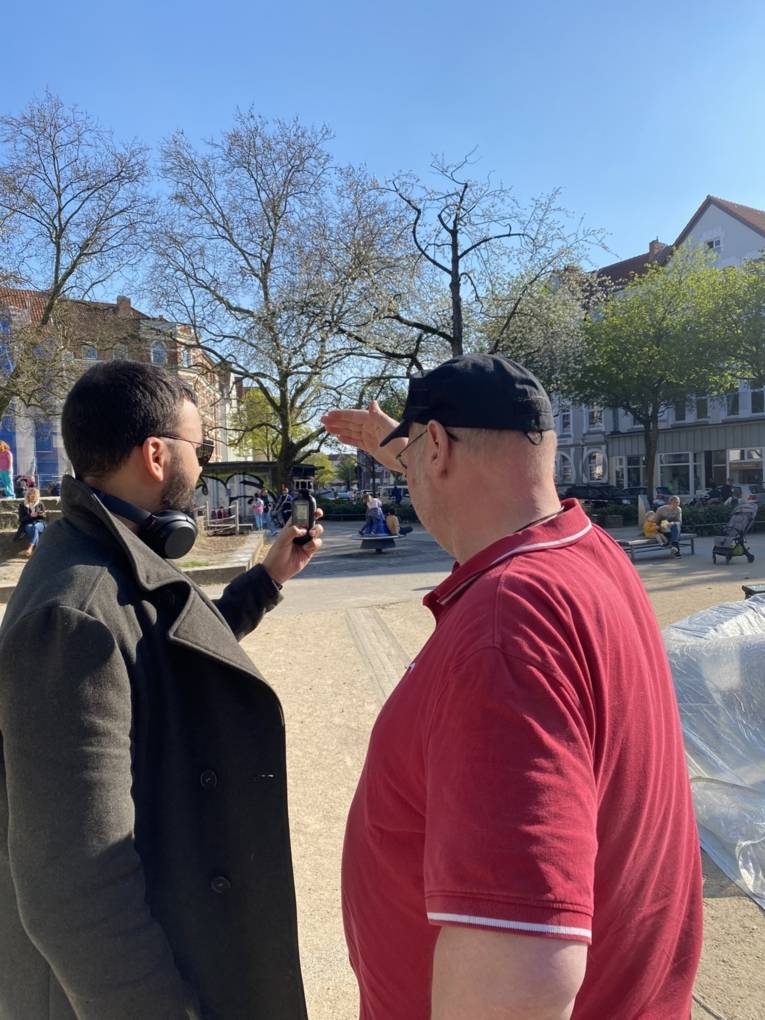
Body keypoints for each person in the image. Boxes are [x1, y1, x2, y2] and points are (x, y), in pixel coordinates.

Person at [322, 354, 702, 1020]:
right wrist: (401, 445)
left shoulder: (506, 625)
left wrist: (417, 451)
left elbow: (520, 984)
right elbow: (484, 503)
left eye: (415, 455)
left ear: (436, 445)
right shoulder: (587, 553)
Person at [0, 360, 323, 1020]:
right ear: (155, 455)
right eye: (198, 449)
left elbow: (162, 649)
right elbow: (75, 888)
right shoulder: (74, 612)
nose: (202, 467)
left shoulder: (108, 562)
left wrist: (264, 582)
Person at [16, 484, 47, 557]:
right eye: (30, 494)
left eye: (34, 494)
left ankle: (30, 549)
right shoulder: (22, 505)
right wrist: (30, 516)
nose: (32, 495)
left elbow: (44, 516)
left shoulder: (39, 503)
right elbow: (21, 519)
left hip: (40, 523)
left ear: (37, 495)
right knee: (32, 528)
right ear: (28, 495)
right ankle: (36, 552)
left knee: (35, 527)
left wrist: (39, 514)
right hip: (28, 523)